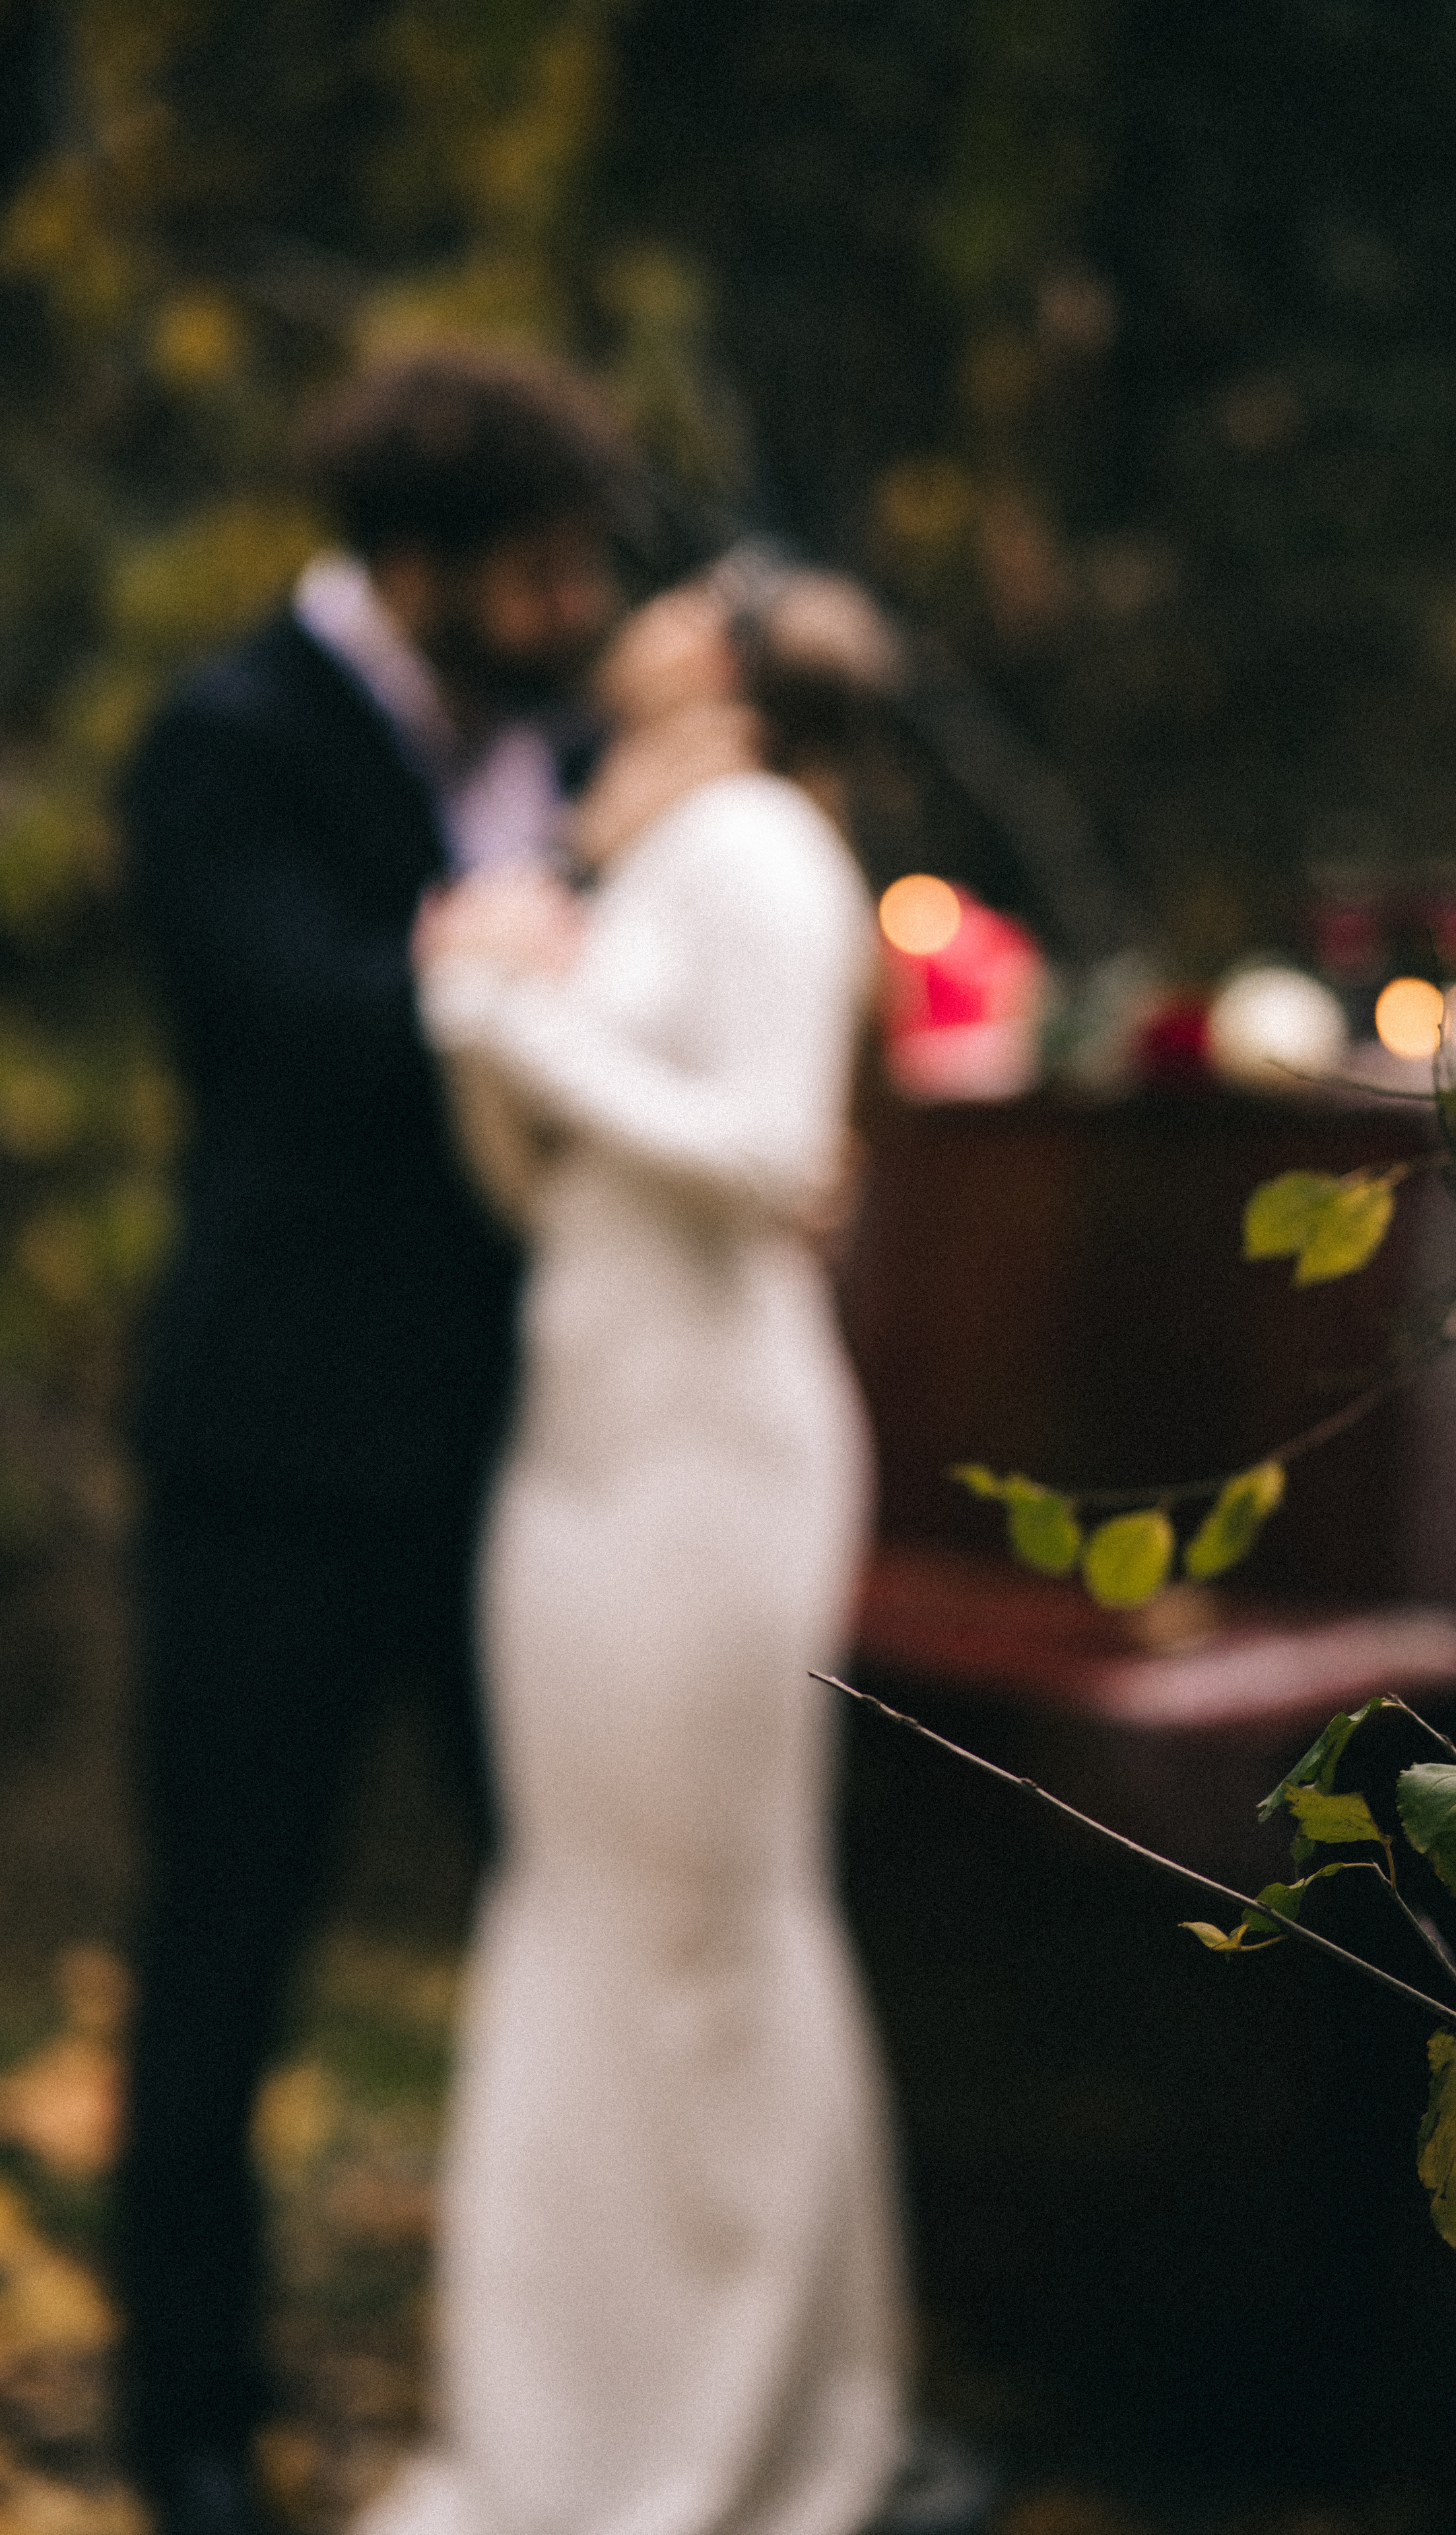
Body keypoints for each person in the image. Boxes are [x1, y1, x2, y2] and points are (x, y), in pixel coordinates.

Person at [117, 346, 635, 2535]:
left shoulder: (569, 742)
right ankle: (191, 2412)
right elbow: (289, 1024)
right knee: (228, 1935)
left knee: (577, 1912)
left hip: (530, 1454)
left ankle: (592, 2378)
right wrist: (489, 964)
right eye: (532, 573)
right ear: (412, 564)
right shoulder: (223, 741)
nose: (570, 608)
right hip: (276, 1452)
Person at [357, 567, 911, 2535]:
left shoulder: (764, 847)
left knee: (705, 1933)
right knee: (580, 1926)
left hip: (712, 1468)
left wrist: (514, 1002)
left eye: (692, 591)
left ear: (736, 667)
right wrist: (480, 1015)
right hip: (576, 1449)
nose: (641, 600)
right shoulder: (635, 859)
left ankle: (754, 2431)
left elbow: (775, 1157)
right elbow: (548, 1191)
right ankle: (563, 2430)